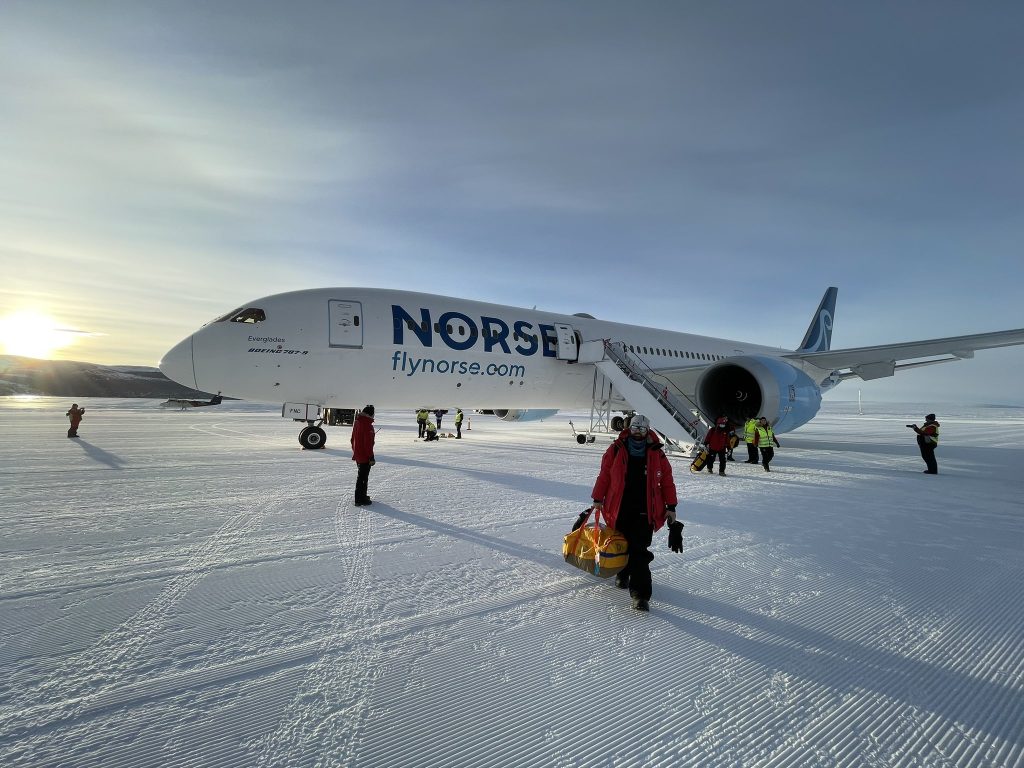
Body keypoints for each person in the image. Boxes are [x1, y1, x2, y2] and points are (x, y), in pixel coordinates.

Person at [590, 414, 680, 612]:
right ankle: (622, 573)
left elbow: (667, 481)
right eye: (634, 428)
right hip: (619, 508)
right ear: (628, 429)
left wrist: (671, 507)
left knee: (639, 551)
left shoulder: (657, 453)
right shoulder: (615, 449)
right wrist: (597, 499)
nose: (637, 432)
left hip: (645, 510)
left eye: (641, 429)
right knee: (620, 545)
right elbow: (604, 475)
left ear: (648, 430)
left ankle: (640, 595)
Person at [351, 405, 375, 506]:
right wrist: (371, 457)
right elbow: (368, 444)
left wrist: (355, 451)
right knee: (363, 478)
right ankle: (360, 499)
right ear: (370, 414)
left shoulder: (357, 422)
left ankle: (361, 496)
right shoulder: (367, 425)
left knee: (361, 477)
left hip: (358, 454)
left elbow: (352, 439)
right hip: (364, 456)